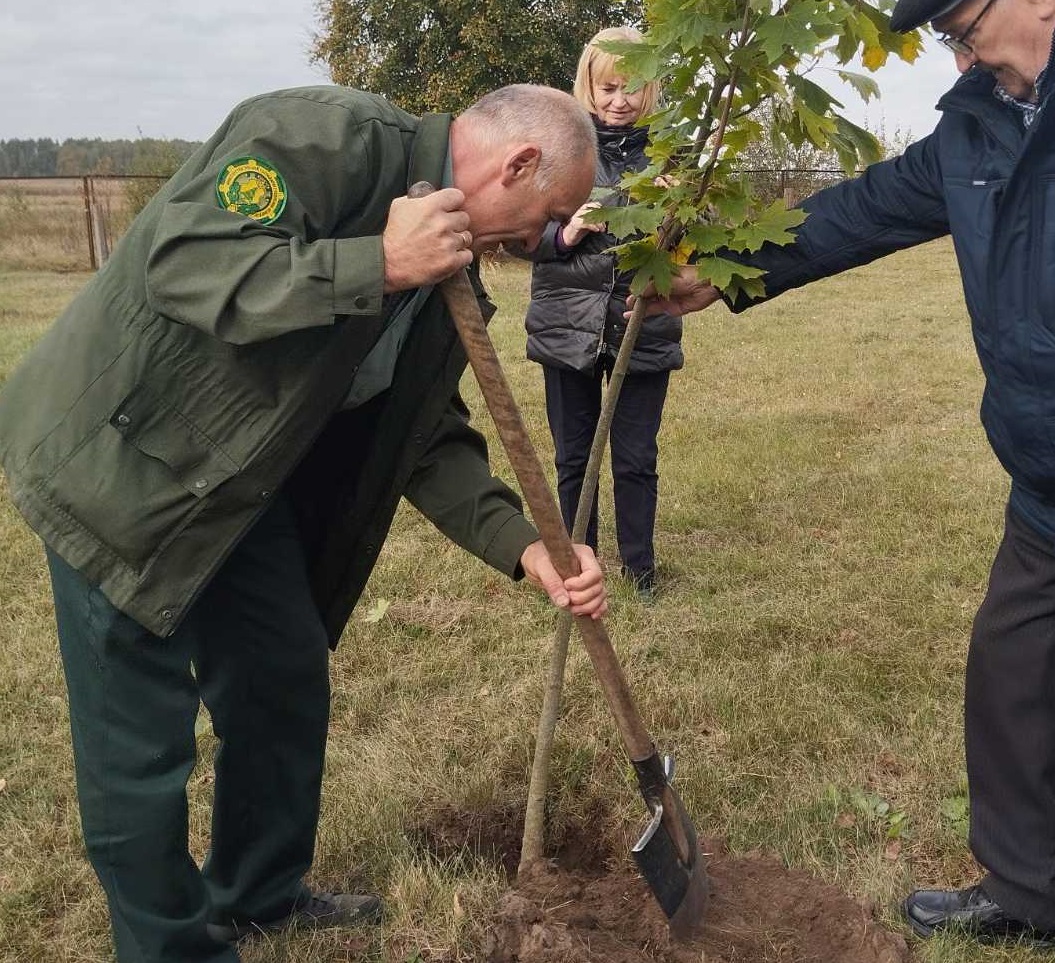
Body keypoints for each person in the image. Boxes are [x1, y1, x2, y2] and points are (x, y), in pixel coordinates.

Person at [636, 0, 1055, 963]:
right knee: (1013, 689)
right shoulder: (986, 115)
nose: (955, 61)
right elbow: (868, 208)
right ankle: (1029, 889)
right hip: (1045, 478)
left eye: (959, 31)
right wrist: (725, 269)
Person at [0, 82, 610, 963]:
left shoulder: (451, 271)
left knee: (281, 674)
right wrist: (376, 264)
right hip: (121, 466)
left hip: (238, 485)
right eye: (542, 216)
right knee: (140, 741)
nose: (534, 243)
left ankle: (258, 892)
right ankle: (171, 948)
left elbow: (424, 434)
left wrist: (525, 550)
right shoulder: (323, 141)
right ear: (516, 164)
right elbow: (184, 261)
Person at [523, 26, 681, 596]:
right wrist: (565, 233)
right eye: (609, 86)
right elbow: (520, 231)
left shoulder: (673, 153)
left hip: (643, 319)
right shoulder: (558, 148)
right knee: (574, 455)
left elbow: (699, 244)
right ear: (588, 84)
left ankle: (640, 571)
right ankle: (574, 564)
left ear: (651, 89)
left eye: (633, 87)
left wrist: (675, 213)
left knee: (636, 456)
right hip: (567, 321)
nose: (620, 100)